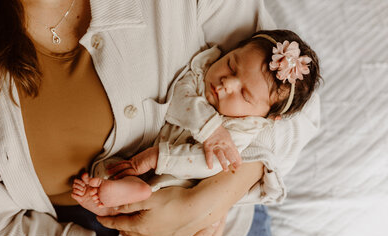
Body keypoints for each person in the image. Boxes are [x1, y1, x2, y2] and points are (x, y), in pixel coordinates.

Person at [0, 1, 321, 236]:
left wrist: (208, 202)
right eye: (230, 67)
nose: (226, 82)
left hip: (216, 233)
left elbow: (295, 104)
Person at [71, 29, 321, 217]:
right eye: (231, 65)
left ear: (266, 117)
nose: (226, 84)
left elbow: (208, 163)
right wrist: (211, 128)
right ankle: (103, 194)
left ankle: (124, 199)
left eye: (244, 95)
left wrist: (158, 158)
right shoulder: (203, 69)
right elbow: (180, 96)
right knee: (112, 168)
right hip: (136, 149)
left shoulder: (244, 129)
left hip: (175, 179)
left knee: (155, 193)